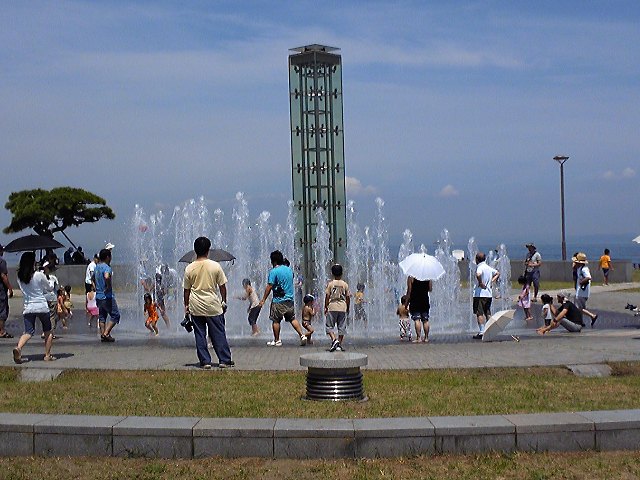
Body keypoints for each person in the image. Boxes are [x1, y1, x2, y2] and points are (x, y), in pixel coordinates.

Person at [183, 236, 234, 369]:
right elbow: (222, 286)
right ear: (208, 250)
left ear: (195, 250)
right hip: (212, 304)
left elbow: (186, 290)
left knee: (200, 334)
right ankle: (224, 359)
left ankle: (205, 361)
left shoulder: (189, 268)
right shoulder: (215, 266)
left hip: (195, 305)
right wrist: (224, 301)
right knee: (218, 332)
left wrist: (186, 306)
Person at [12, 251, 55, 363]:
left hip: (28, 307)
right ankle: (47, 355)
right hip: (41, 306)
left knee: (28, 332)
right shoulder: (39, 275)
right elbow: (49, 288)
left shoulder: (20, 277)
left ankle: (18, 348)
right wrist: (48, 277)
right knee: (48, 331)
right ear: (32, 263)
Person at [259, 250, 308, 347]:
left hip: (278, 300)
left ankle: (277, 340)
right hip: (289, 299)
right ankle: (302, 335)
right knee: (292, 318)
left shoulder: (274, 271)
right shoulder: (289, 270)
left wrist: (263, 299)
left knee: (276, 320)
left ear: (273, 261)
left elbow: (269, 286)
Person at [94, 247, 120, 342]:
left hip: (98, 296)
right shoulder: (106, 267)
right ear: (108, 257)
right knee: (115, 315)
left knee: (102, 316)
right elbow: (106, 276)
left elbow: (92, 279)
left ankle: (103, 335)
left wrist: (96, 287)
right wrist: (108, 286)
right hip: (107, 296)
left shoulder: (97, 267)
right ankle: (106, 333)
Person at [472, 252, 500, 339]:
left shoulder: (480, 267)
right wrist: (492, 281)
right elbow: (497, 273)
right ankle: (490, 330)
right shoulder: (488, 267)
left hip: (479, 294)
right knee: (487, 312)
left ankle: (481, 332)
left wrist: (480, 283)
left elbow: (478, 274)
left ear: (477, 259)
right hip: (488, 294)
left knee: (479, 313)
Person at [324, 264, 350, 352]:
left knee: (329, 326)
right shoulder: (345, 284)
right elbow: (348, 297)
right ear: (342, 273)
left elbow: (327, 296)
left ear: (332, 273)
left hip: (332, 307)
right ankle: (339, 344)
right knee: (342, 327)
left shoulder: (330, 284)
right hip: (342, 307)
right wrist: (348, 307)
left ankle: (334, 340)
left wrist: (326, 306)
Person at [404, 276, 432, 343]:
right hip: (425, 300)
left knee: (417, 320)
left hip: (415, 300)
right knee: (425, 320)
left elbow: (409, 291)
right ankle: (426, 338)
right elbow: (430, 289)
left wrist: (406, 303)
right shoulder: (427, 277)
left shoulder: (411, 277)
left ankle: (419, 338)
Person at [574, 252, 598, 327]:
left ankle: (592, 316)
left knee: (578, 308)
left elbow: (588, 277)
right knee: (581, 308)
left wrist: (581, 282)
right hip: (582, 292)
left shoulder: (584, 269)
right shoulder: (580, 269)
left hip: (582, 292)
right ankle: (581, 322)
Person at [0, 243, 14, 338]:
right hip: (1, 289)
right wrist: (10, 288)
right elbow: (3, 276)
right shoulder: (2, 262)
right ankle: (2, 331)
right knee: (2, 310)